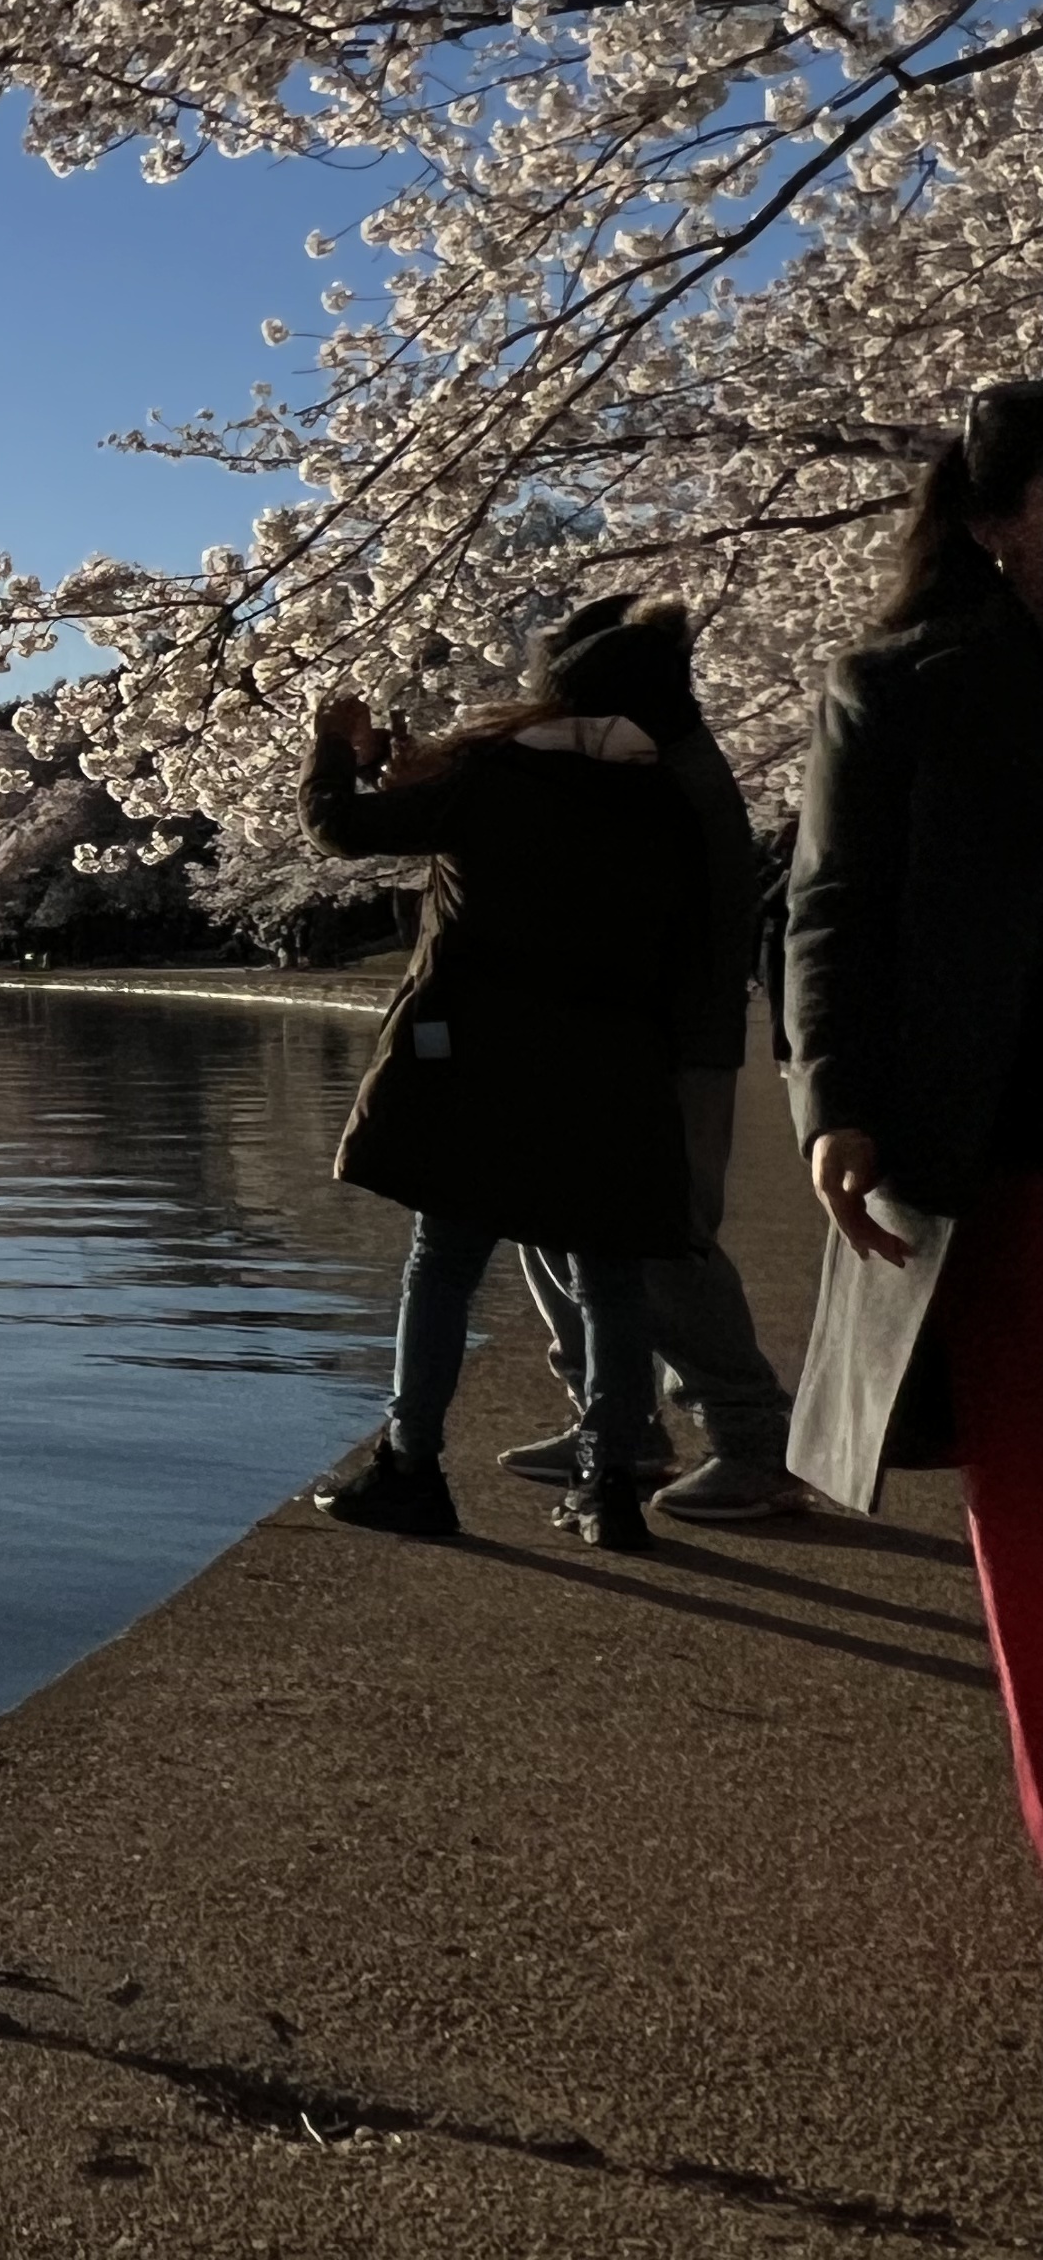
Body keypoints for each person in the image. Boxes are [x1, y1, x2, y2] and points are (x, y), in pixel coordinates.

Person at [301, 601, 717, 1554]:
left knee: (444, 1260)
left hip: (483, 1061)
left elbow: (343, 828)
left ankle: (412, 1466)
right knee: (607, 1274)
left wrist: (335, 747)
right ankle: (609, 1485)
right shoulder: (668, 803)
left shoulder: (497, 777)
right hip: (616, 1064)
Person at [784, 380, 1043, 1864]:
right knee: (1033, 1513)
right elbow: (831, 913)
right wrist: (839, 1107)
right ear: (1002, 522)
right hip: (1003, 1149)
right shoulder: (907, 684)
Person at [487, 596, 822, 1522]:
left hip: (665, 1048)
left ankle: (752, 1437)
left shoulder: (664, 783)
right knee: (549, 1223)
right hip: (618, 1041)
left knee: (662, 1243)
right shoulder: (650, 770)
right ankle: (617, 1418)